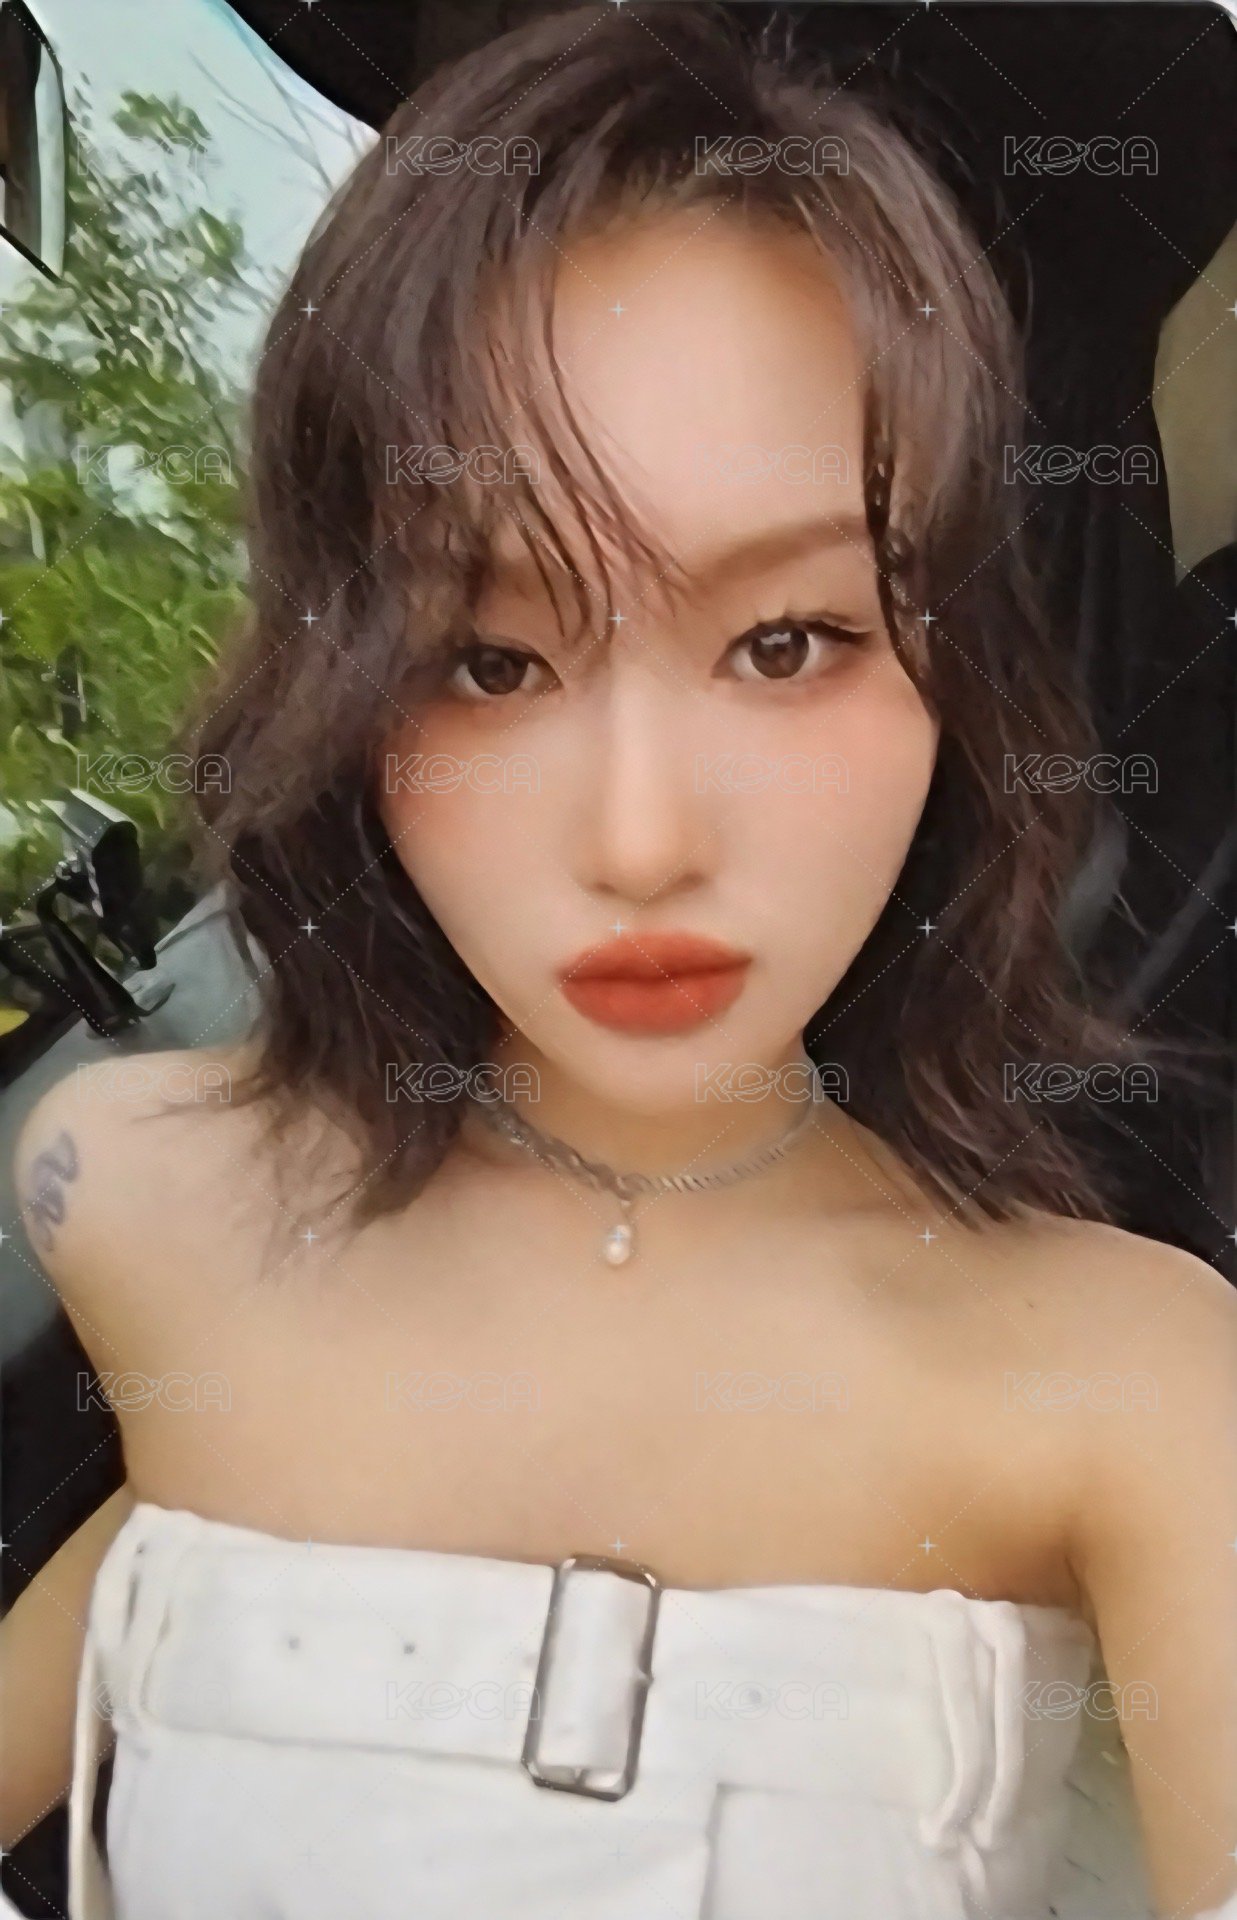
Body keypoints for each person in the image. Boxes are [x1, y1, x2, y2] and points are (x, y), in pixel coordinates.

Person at [4, 5, 1235, 1917]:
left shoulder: (1137, 1383)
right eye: (490, 659)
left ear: (955, 687)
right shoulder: (144, 1202)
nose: (642, 840)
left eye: (787, 641)